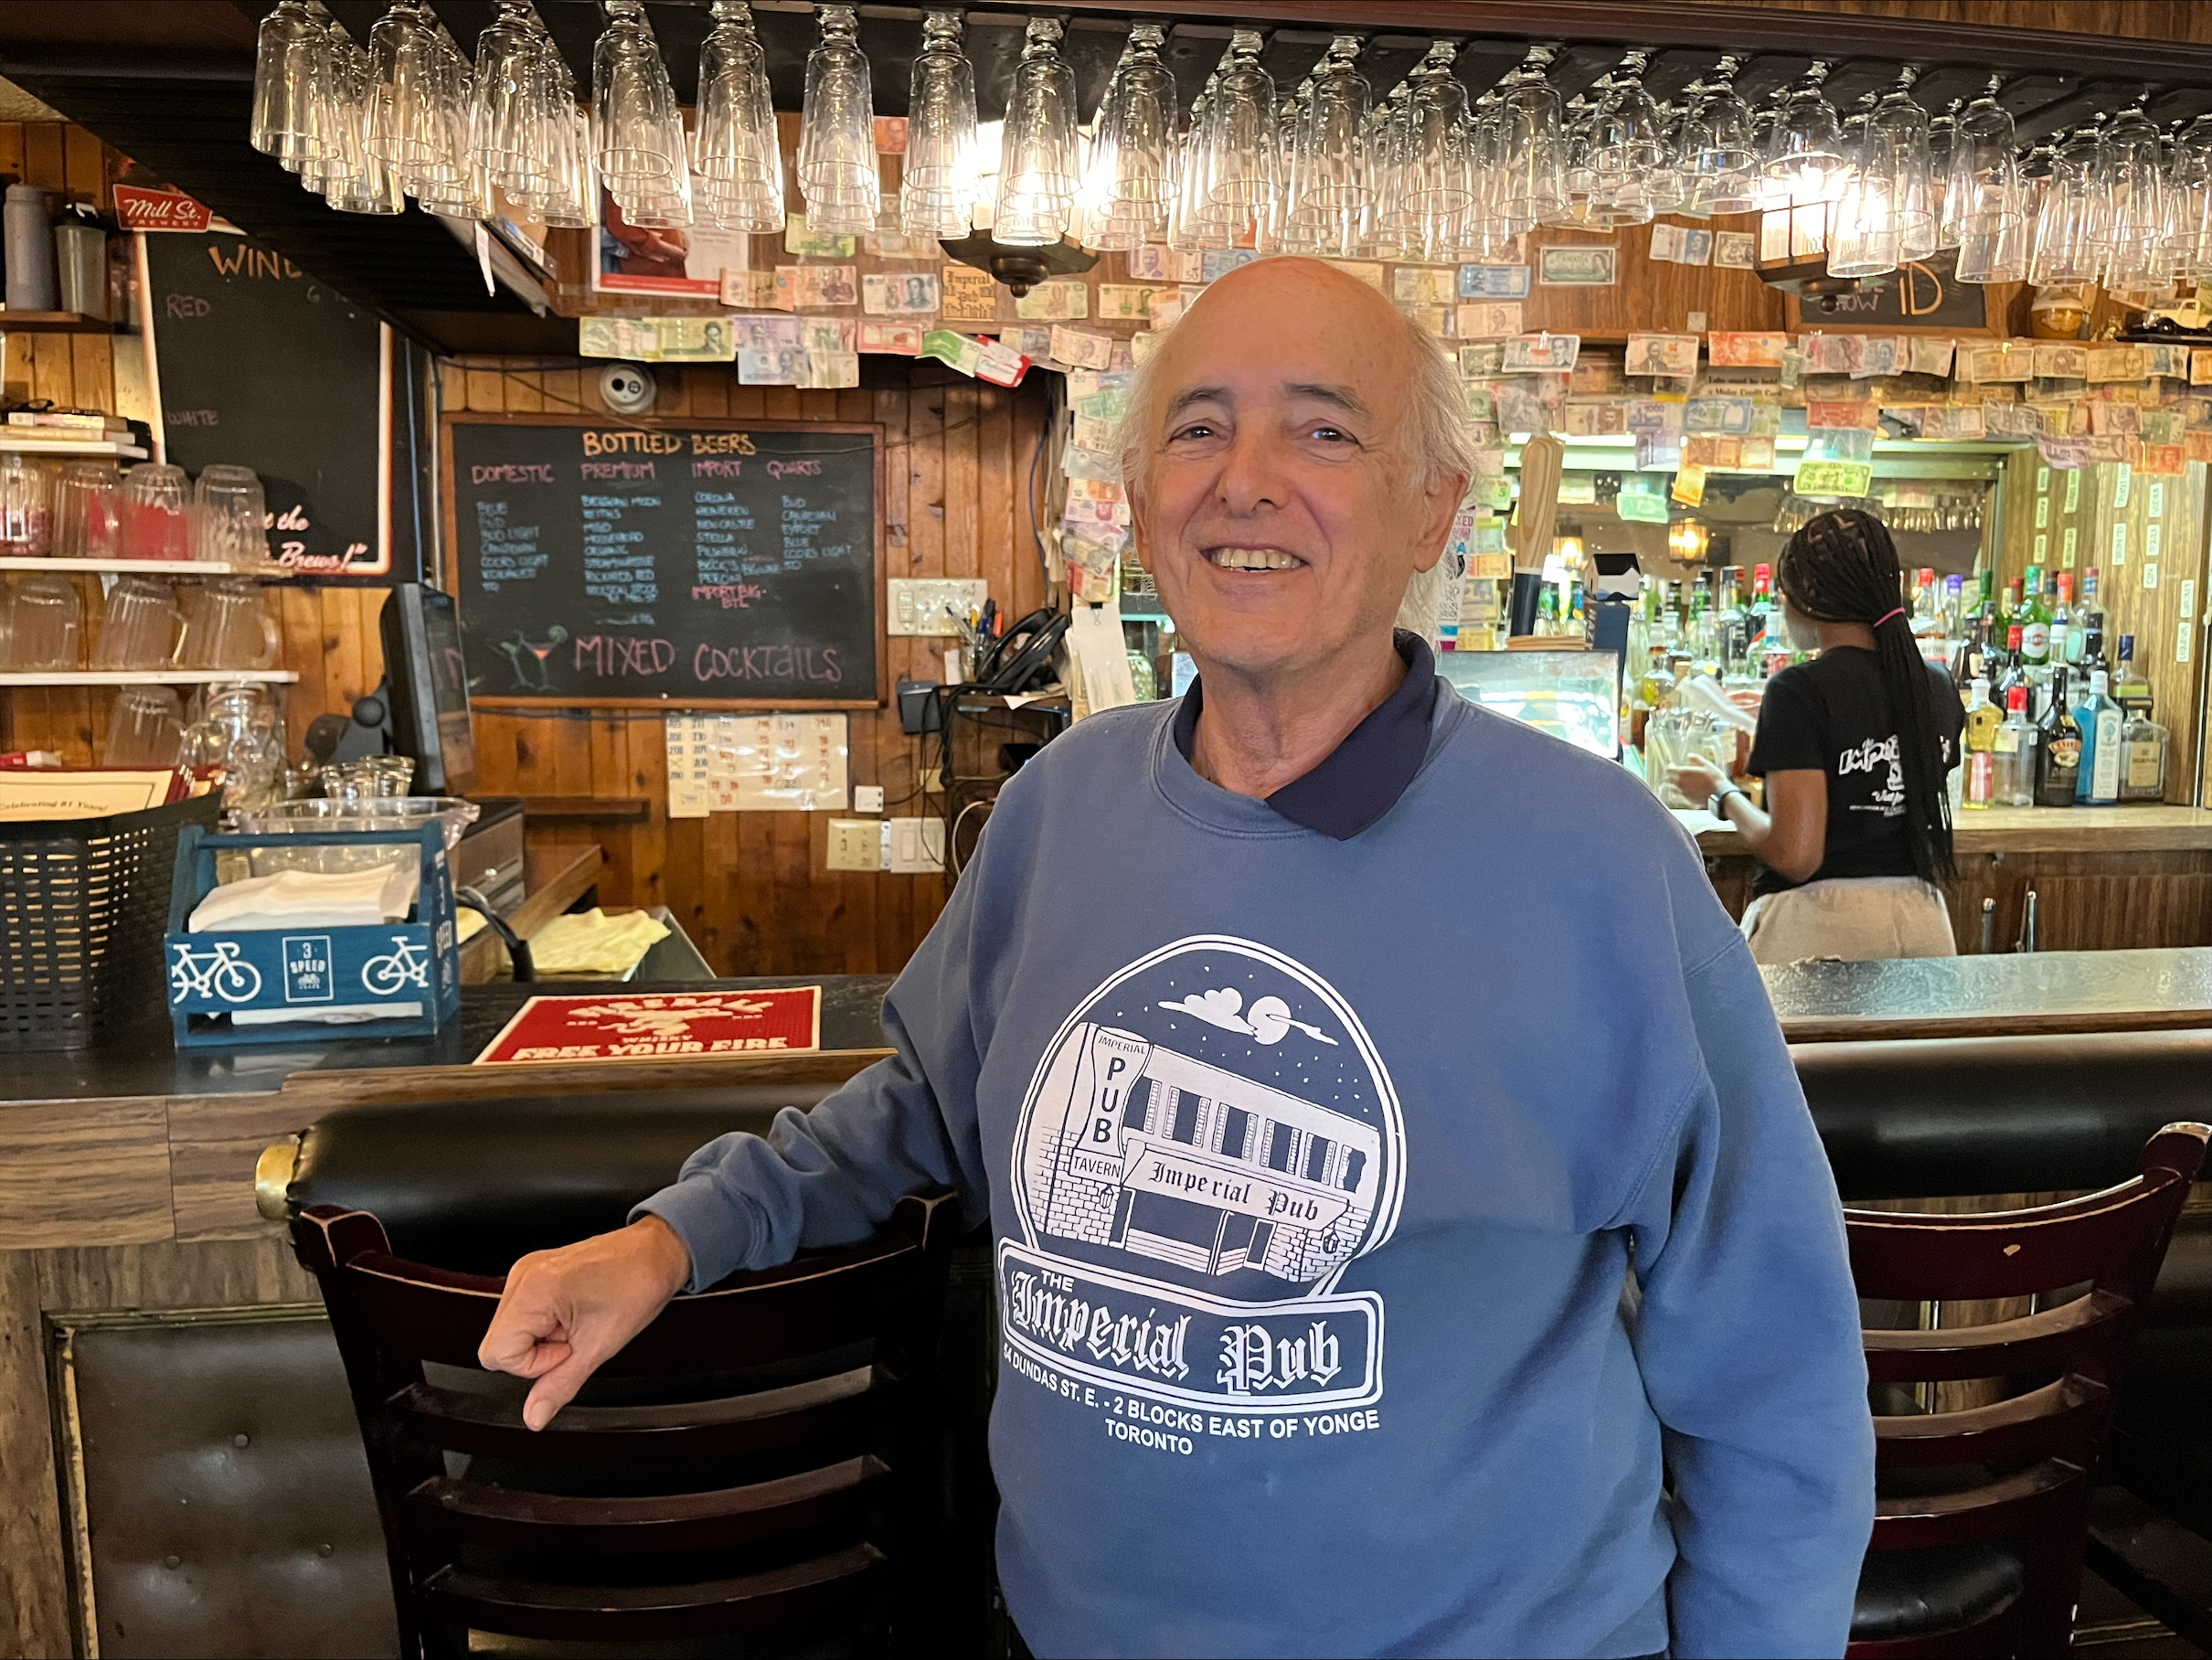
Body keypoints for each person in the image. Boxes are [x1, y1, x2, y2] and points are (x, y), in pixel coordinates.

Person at [480, 258, 1875, 1659]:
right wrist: (673, 1240)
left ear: (1432, 508)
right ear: (1143, 507)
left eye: (1323, 429)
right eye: (1198, 429)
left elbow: (1776, 1377)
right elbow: (919, 1109)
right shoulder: (1057, 809)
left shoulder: (1601, 862)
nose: (1244, 482)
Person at [1670, 508, 1962, 965]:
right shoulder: (1937, 685)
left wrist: (1722, 793)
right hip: (1922, 926)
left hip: (1821, 933)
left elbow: (1796, 855)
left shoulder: (1799, 691)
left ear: (1808, 595)